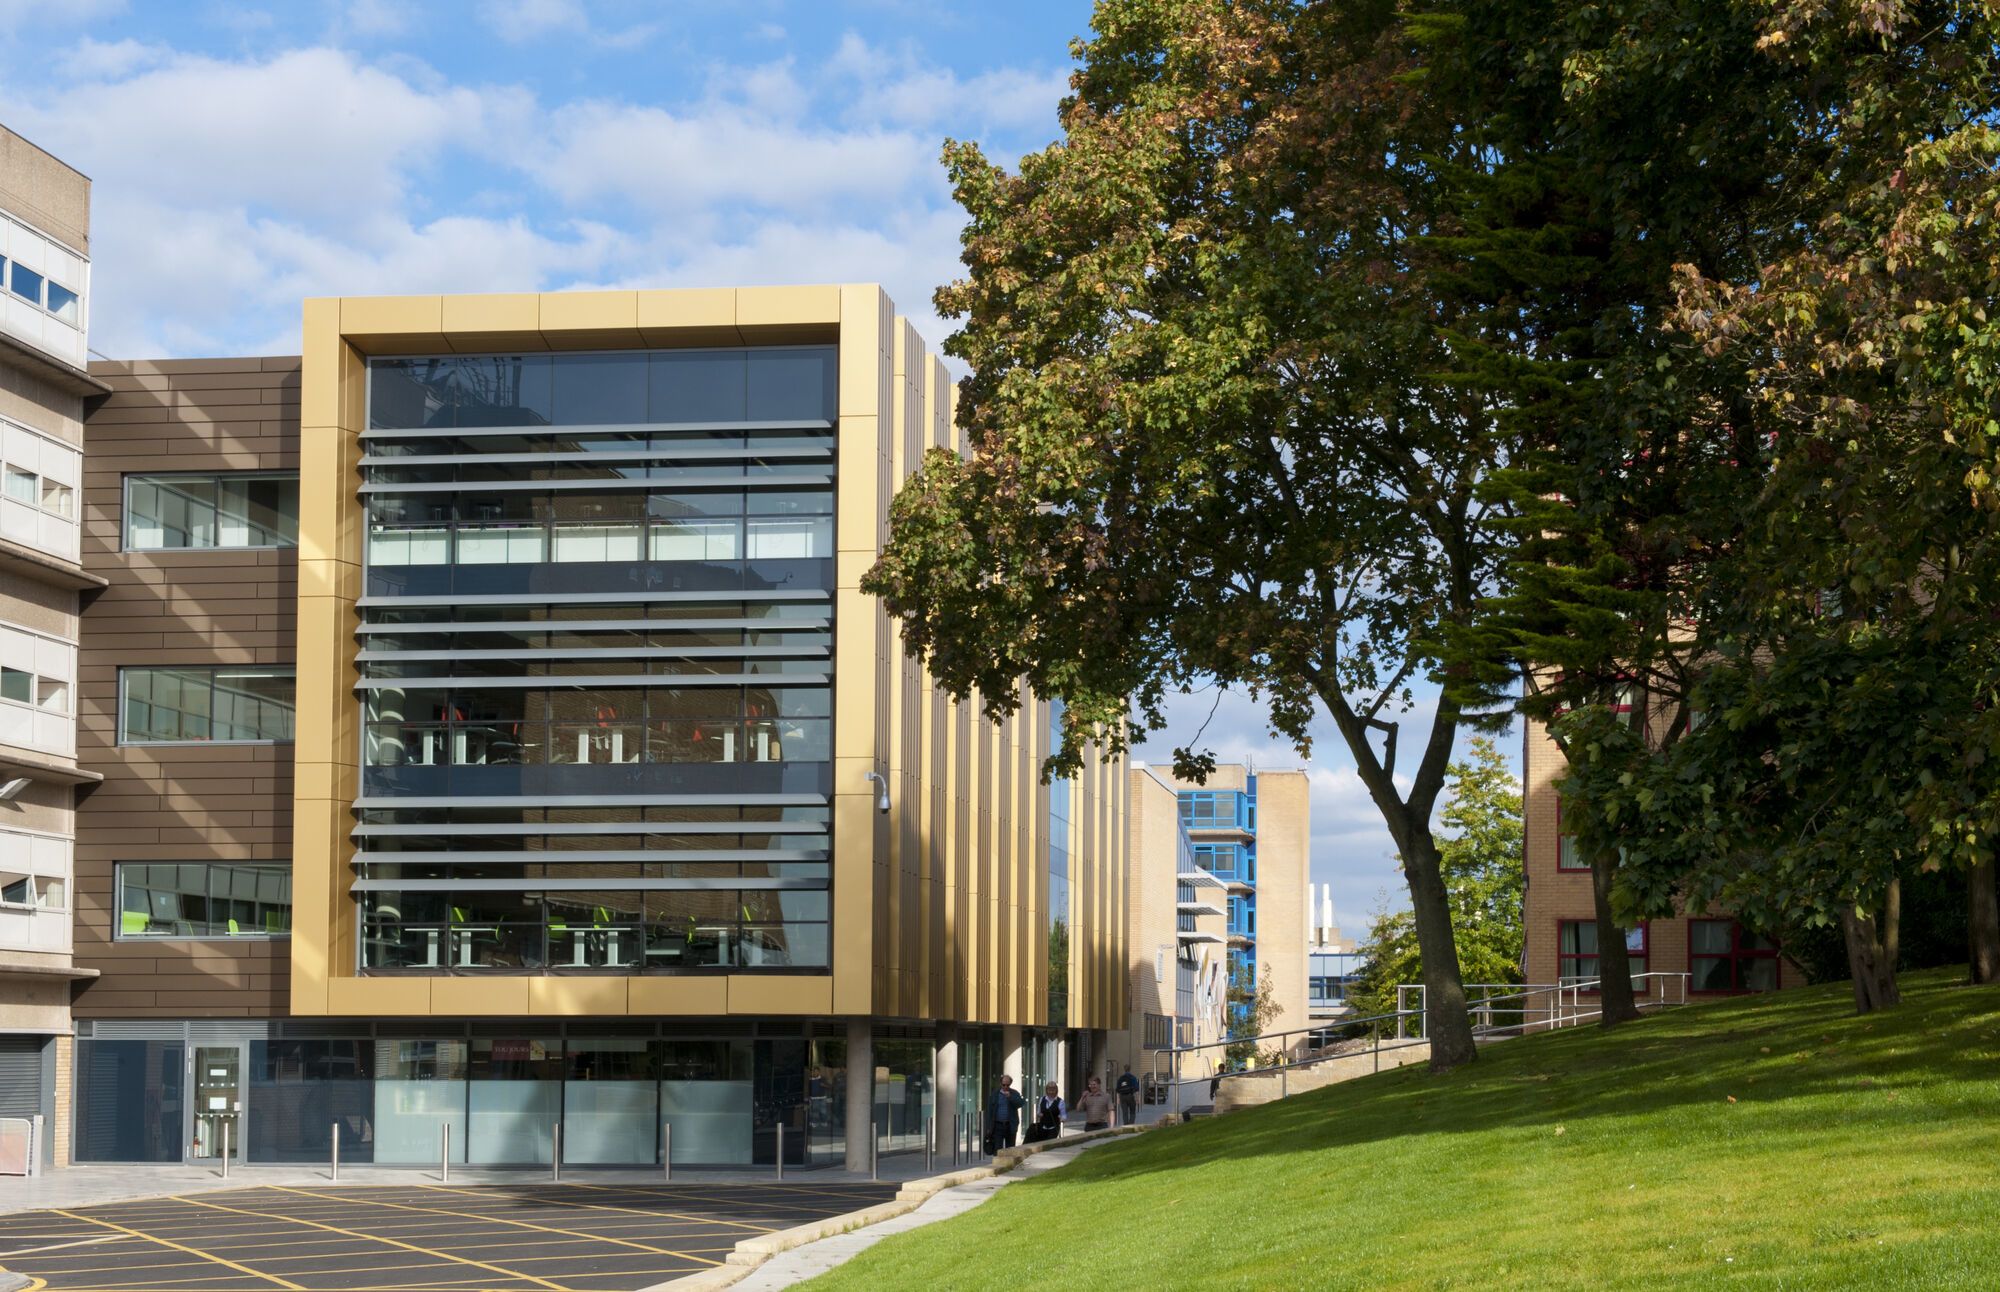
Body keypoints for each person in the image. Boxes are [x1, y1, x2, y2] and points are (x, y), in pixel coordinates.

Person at [986, 1074, 1026, 1153]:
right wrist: (988, 1127)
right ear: (1000, 1084)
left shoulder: (1014, 1093)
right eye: (1004, 1085)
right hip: (998, 1125)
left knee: (1010, 1149)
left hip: (1010, 1125)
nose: (1005, 1087)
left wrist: (1010, 1097)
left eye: (1008, 1085)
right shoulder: (995, 1094)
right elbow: (990, 1111)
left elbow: (1020, 1103)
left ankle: (1010, 1164)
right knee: (998, 1149)